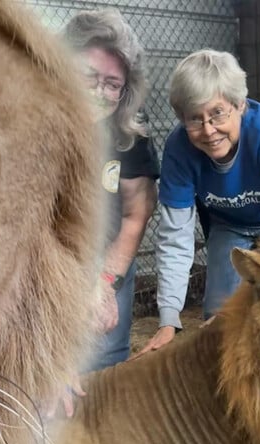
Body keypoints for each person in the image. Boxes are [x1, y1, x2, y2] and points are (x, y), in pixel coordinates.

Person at [137, 49, 260, 355]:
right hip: (229, 222)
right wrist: (169, 321)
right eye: (195, 118)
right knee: (218, 319)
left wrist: (253, 295)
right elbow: (175, 238)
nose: (208, 130)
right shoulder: (179, 151)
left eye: (217, 113)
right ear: (182, 119)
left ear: (240, 105)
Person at [63, 9, 159, 373]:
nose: (99, 93)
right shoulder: (27, 116)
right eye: (88, 76)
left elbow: (136, 215)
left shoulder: (130, 132)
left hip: (107, 252)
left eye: (112, 84)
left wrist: (103, 284)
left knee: (101, 359)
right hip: (44, 254)